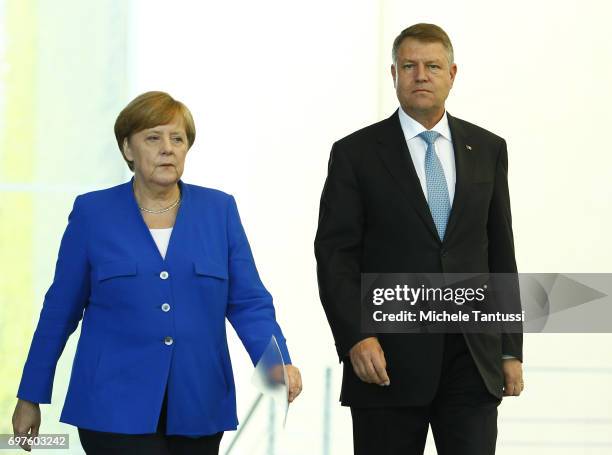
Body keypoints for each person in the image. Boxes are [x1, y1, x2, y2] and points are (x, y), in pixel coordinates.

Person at [12, 91, 302, 454]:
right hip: (112, 405)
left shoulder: (219, 211)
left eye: (177, 138)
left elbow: (249, 303)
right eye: (153, 137)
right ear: (128, 149)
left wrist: (278, 364)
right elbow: (59, 312)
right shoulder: (93, 214)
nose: (168, 148)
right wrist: (30, 394)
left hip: (200, 403)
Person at [315, 24, 523, 455]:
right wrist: (356, 336)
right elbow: (336, 257)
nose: (421, 75)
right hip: (386, 360)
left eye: (432, 66)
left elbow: (500, 252)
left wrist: (509, 349)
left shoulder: (488, 148)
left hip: (472, 356)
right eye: (409, 66)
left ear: (453, 73)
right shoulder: (355, 153)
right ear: (394, 74)